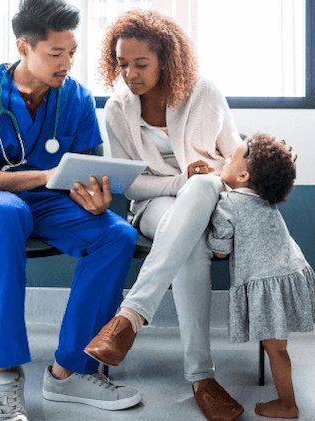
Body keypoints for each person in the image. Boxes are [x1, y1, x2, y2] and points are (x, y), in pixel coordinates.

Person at [0, 0, 142, 419]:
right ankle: (6, 375)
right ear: (23, 47)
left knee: (116, 233)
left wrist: (94, 197)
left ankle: (68, 373)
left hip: (48, 203)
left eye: (72, 53)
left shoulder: (77, 99)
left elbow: (83, 172)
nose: (67, 63)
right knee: (5, 213)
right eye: (55, 54)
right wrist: (44, 177)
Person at [83, 8, 247, 421]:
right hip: (154, 205)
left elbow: (234, 156)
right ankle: (202, 378)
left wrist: (215, 175)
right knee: (189, 242)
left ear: (165, 60)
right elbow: (131, 184)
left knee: (205, 184)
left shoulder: (204, 92)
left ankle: (129, 317)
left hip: (210, 198)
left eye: (141, 64)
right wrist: (179, 183)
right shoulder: (117, 109)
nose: (130, 74)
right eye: (122, 64)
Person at [207, 132, 315, 419]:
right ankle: (287, 401)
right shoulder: (265, 198)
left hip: (267, 281)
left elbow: (220, 250)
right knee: (279, 348)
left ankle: (288, 404)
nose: (224, 160)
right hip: (289, 272)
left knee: (276, 350)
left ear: (244, 175)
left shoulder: (229, 203)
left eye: (230, 158)